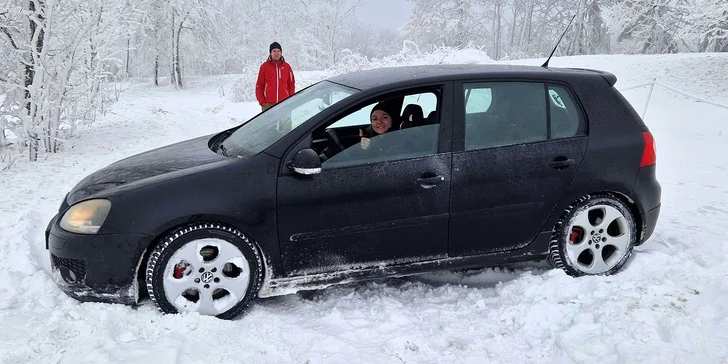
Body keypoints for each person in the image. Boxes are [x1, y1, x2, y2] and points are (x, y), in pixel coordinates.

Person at [256, 42, 295, 112]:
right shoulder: (264, 67)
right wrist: (263, 103)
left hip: (285, 103)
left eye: (278, 51)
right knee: (269, 123)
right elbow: (259, 86)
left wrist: (290, 100)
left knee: (286, 123)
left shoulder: (286, 67)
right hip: (268, 105)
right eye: (274, 51)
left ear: (281, 52)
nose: (276, 53)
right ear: (270, 53)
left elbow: (291, 84)